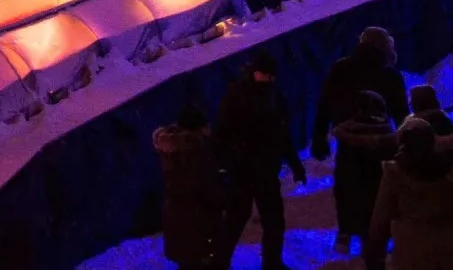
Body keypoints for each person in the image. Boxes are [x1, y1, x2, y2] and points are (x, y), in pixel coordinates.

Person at [214, 51, 305, 270]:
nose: (267, 79)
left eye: (270, 76)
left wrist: (295, 163)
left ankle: (271, 263)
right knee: (236, 219)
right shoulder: (237, 96)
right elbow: (221, 133)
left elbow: (283, 133)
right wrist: (229, 160)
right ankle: (219, 263)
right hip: (243, 170)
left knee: (273, 221)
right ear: (255, 73)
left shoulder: (274, 97)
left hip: (265, 169)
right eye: (264, 75)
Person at [366, 115, 453, 269]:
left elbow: (380, 219)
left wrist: (375, 250)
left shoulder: (394, 174)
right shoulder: (447, 171)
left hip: (410, 248)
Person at [315, 27, 409, 160]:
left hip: (348, 148)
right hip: (380, 145)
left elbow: (324, 105)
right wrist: (408, 142)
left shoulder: (340, 68)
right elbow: (402, 115)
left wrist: (319, 139)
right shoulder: (390, 75)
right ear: (384, 45)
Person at [154, 105, 226, 270]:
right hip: (198, 220)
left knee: (188, 262)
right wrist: (224, 197)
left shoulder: (174, 150)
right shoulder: (196, 152)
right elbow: (205, 187)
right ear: (199, 129)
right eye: (206, 125)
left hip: (179, 218)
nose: (210, 128)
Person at [331, 89, 399, 255]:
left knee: (365, 230)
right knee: (376, 238)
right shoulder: (389, 136)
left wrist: (344, 225)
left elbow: (341, 177)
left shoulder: (348, 136)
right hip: (379, 192)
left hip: (356, 194)